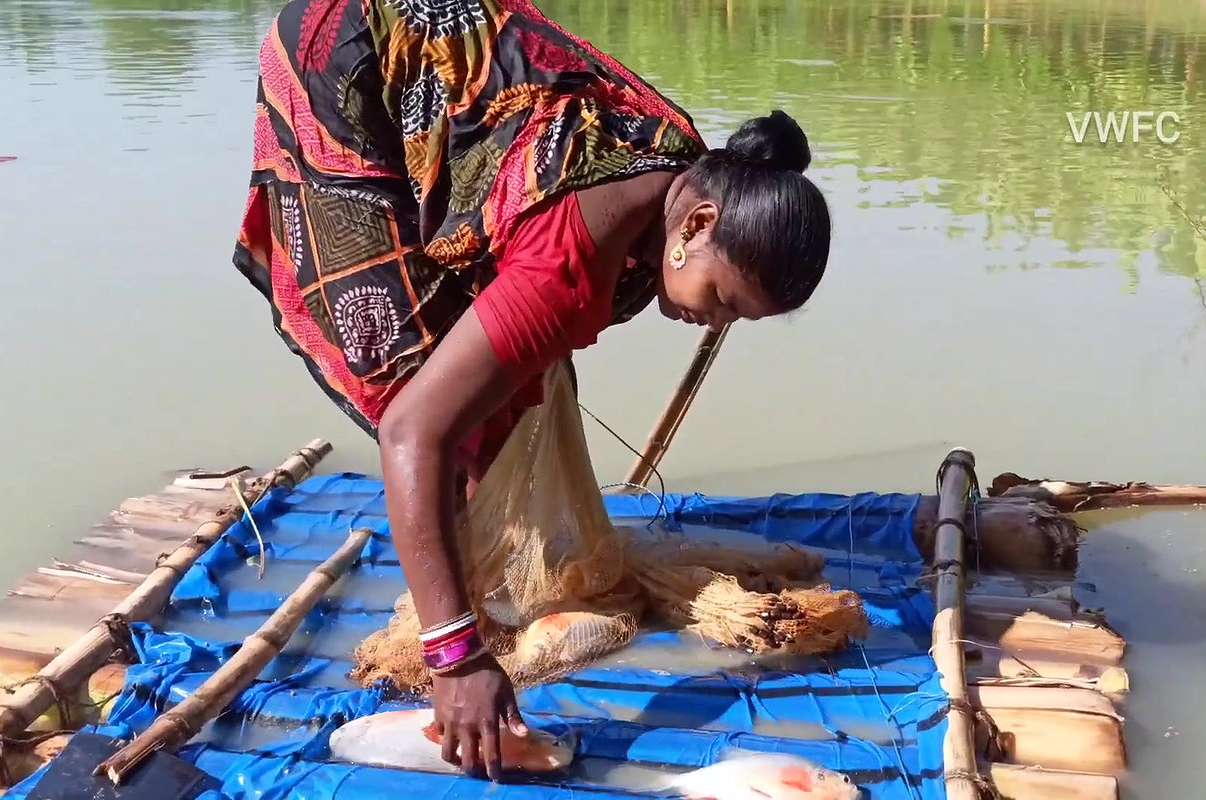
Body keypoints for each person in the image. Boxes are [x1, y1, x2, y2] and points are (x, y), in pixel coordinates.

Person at [232, 0, 832, 782]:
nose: (712, 322)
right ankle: (457, 610)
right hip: (347, 63)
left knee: (496, 379)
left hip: (429, 59)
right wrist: (453, 656)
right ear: (696, 226)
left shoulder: (683, 178)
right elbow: (413, 431)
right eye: (721, 299)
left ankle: (474, 573)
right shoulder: (572, 261)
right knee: (408, 371)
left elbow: (517, 347)